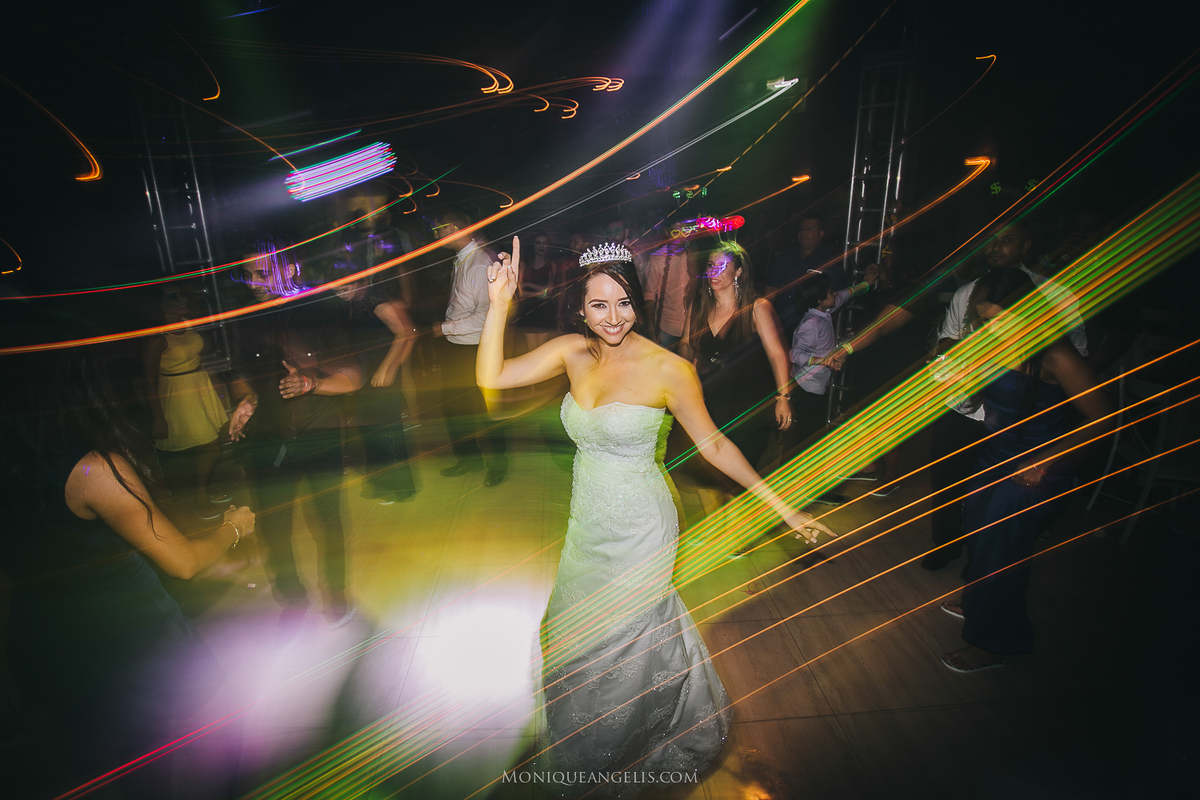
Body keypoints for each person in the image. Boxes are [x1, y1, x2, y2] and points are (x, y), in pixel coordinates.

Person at [476, 238, 836, 793]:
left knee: (623, 638)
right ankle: (581, 734)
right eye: (599, 305)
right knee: (574, 629)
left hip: (643, 526)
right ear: (580, 308)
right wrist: (500, 306)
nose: (612, 317)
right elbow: (492, 378)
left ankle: (624, 740)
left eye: (623, 303)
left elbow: (715, 445)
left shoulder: (669, 368)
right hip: (587, 519)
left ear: (638, 303)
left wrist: (783, 510)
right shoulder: (572, 352)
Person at [0, 345, 254, 798]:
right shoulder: (93, 469)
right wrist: (233, 527)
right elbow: (184, 563)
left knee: (131, 753)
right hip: (134, 634)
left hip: (48, 638)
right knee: (222, 727)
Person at [939, 269, 1112, 672]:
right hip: (993, 456)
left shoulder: (1055, 355)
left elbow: (1104, 419)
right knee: (978, 535)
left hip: (1034, 466)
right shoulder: (990, 343)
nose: (992, 330)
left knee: (1003, 549)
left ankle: (994, 643)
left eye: (1002, 321)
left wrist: (1046, 460)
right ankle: (978, 603)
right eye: (985, 321)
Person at [921, 222, 1088, 569]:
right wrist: (960, 356)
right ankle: (948, 545)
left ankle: (983, 563)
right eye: (991, 241)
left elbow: (1078, 361)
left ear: (1026, 246)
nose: (996, 247)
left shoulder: (1056, 297)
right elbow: (947, 340)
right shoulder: (968, 292)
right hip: (967, 407)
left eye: (1007, 240)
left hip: (1022, 423)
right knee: (952, 483)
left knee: (1002, 517)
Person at [227, 248, 361, 629]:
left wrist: (311, 383)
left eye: (262, 273)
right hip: (268, 439)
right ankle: (293, 596)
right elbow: (238, 373)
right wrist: (246, 399)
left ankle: (336, 592)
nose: (254, 282)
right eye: (248, 275)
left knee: (328, 522)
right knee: (273, 526)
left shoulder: (321, 312)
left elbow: (354, 377)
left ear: (289, 269)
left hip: (318, 435)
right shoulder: (246, 319)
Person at [680, 241, 793, 511]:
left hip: (747, 405)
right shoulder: (699, 306)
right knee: (707, 469)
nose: (714, 271)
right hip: (710, 401)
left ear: (738, 272)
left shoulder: (756, 308)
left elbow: (777, 355)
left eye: (722, 266)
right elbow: (686, 349)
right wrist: (687, 379)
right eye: (711, 265)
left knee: (738, 472)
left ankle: (733, 523)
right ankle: (718, 523)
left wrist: (783, 397)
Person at [429, 208, 508, 486]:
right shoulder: (462, 259)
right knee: (454, 411)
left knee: (483, 411)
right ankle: (468, 459)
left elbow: (487, 316)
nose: (436, 235)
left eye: (439, 229)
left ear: (453, 228)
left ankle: (498, 463)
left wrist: (444, 328)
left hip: (474, 350)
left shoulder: (478, 263)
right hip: (457, 348)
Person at [328, 269, 419, 504]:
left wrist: (386, 368)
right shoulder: (354, 302)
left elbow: (404, 333)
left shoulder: (374, 300)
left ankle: (400, 489)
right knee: (372, 429)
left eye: (345, 289)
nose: (341, 294)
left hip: (380, 374)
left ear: (359, 282)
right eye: (336, 291)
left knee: (386, 431)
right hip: (368, 372)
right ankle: (383, 482)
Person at [141, 284, 230, 520]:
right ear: (160, 305)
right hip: (178, 393)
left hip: (200, 386)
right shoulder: (157, 338)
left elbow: (204, 352)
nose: (182, 299)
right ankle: (199, 498)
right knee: (210, 447)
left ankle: (204, 490)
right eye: (173, 296)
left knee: (209, 441)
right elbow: (148, 381)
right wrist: (158, 418)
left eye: (182, 294)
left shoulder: (189, 324)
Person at [786, 266, 877, 450]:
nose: (834, 293)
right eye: (830, 292)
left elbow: (844, 295)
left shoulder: (824, 310)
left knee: (811, 436)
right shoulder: (811, 324)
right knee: (805, 438)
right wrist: (825, 360)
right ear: (819, 300)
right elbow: (795, 354)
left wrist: (866, 284)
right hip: (806, 388)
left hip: (815, 386)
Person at [765, 213, 848, 338]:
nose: (804, 232)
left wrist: (825, 329)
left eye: (810, 228)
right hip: (782, 326)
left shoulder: (830, 262)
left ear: (821, 233)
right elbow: (770, 289)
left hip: (812, 329)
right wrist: (765, 322)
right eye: (802, 228)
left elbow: (838, 298)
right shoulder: (785, 257)